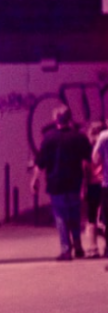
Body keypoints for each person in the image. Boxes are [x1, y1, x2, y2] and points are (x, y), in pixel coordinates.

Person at [30, 106, 92, 261]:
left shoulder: (49, 138)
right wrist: (86, 182)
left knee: (61, 217)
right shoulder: (79, 137)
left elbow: (41, 162)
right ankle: (78, 246)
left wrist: (35, 179)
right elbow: (88, 160)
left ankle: (66, 250)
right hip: (75, 182)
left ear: (56, 119)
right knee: (75, 215)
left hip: (56, 183)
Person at [84, 121, 105, 257]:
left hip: (93, 184)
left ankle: (93, 247)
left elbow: (85, 168)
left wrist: (83, 187)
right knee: (105, 217)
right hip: (105, 183)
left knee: (91, 217)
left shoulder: (89, 149)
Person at [89, 122, 108, 258]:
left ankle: (97, 248)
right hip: (102, 183)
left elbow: (95, 159)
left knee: (101, 219)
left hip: (103, 184)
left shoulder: (103, 138)